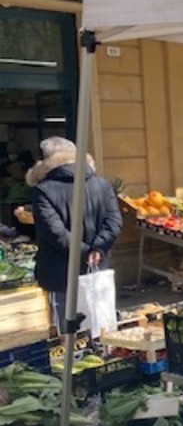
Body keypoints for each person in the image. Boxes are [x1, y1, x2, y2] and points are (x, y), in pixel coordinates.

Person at [27, 137, 122, 331]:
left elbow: (55, 233)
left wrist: (87, 251)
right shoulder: (102, 185)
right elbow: (114, 222)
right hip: (97, 267)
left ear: (46, 160)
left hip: (60, 274)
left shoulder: (43, 190)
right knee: (101, 324)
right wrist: (96, 248)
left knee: (68, 331)